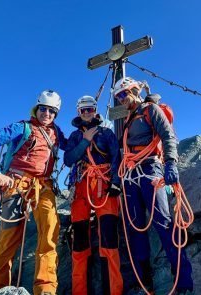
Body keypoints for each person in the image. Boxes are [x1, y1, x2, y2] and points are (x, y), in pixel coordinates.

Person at [0, 90, 67, 295]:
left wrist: (90, 132)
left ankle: (45, 288)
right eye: (43, 109)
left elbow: (71, 147)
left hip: (44, 187)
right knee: (7, 240)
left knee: (50, 232)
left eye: (52, 111)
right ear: (36, 109)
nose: (47, 113)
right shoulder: (22, 127)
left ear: (56, 114)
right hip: (16, 184)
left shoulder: (57, 133)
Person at [114, 77, 194, 293]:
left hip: (150, 169)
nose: (122, 99)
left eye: (124, 94)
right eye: (118, 97)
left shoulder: (150, 110)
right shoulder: (129, 119)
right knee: (135, 229)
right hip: (130, 176)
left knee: (164, 224)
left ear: (134, 90)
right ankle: (144, 284)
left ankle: (183, 282)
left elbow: (168, 135)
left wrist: (170, 163)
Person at [64, 95, 123, 295]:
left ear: (95, 111)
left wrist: (115, 182)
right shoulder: (74, 136)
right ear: (79, 113)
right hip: (81, 187)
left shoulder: (107, 133)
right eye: (83, 110)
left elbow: (116, 157)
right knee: (80, 242)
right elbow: (69, 159)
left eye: (90, 109)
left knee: (109, 240)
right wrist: (85, 140)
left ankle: (114, 291)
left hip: (104, 185)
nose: (87, 113)